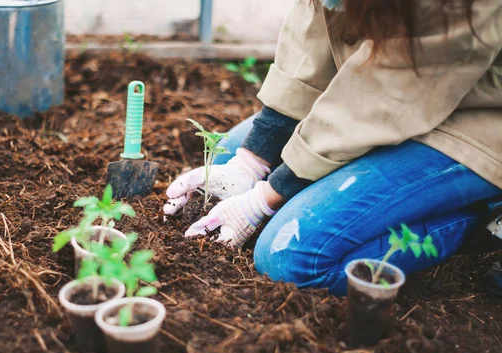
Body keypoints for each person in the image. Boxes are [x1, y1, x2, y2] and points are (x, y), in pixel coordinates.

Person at [164, 0, 502, 295]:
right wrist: (249, 164)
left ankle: (481, 217)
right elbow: (312, 30)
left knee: (289, 260)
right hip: (364, 93)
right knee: (227, 156)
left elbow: (389, 92)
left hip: (469, 120)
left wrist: (264, 198)